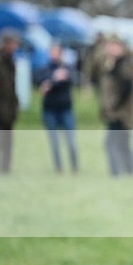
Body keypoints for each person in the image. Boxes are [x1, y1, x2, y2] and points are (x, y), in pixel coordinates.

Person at [95, 35, 133, 176]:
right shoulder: (112, 63)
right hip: (116, 112)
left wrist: (114, 105)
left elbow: (127, 88)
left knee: (112, 143)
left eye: (114, 46)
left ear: (121, 48)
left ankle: (117, 172)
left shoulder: (124, 64)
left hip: (120, 113)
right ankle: (130, 170)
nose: (110, 49)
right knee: (122, 143)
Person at [38, 43, 78, 173]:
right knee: (54, 142)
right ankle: (58, 168)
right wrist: (55, 79)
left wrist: (51, 83)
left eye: (57, 52)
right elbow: (41, 86)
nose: (54, 54)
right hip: (50, 110)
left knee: (71, 142)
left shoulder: (68, 68)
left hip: (66, 109)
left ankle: (74, 167)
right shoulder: (45, 69)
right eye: (52, 52)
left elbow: (72, 80)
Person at [0, 28, 21, 174]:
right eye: (14, 43)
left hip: (9, 108)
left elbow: (11, 87)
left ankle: (5, 169)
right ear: (6, 43)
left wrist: (15, 105)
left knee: (7, 142)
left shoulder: (10, 61)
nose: (16, 47)